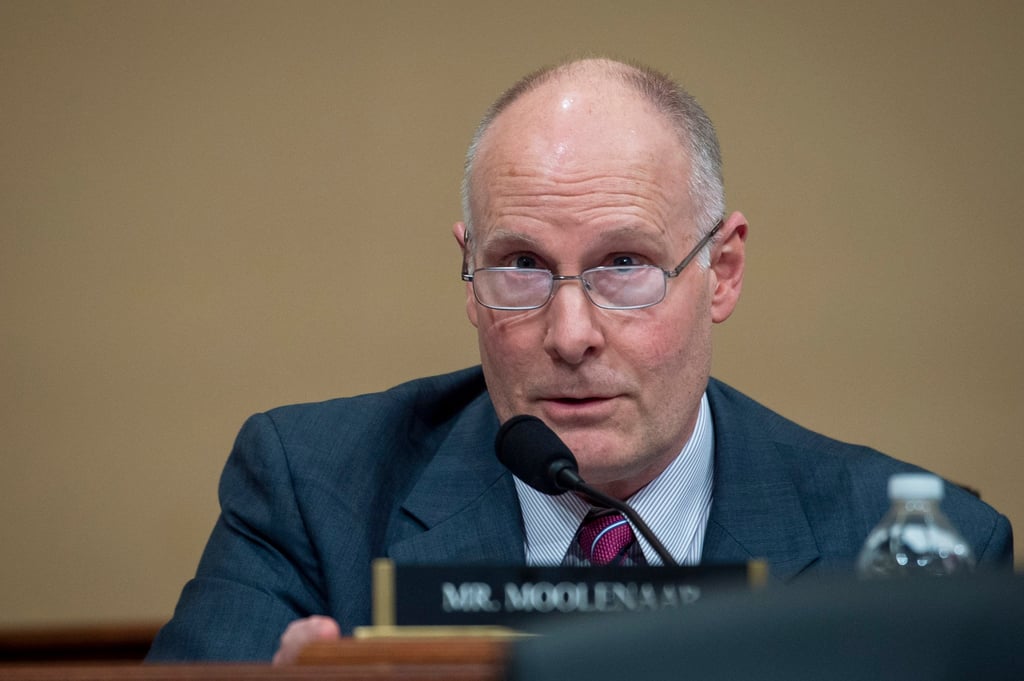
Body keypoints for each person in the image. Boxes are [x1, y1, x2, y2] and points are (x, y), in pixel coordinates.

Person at [146, 58, 1013, 663]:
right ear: (468, 269)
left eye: (624, 264)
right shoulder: (312, 490)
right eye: (520, 265)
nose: (569, 334)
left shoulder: (911, 550)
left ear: (724, 271)